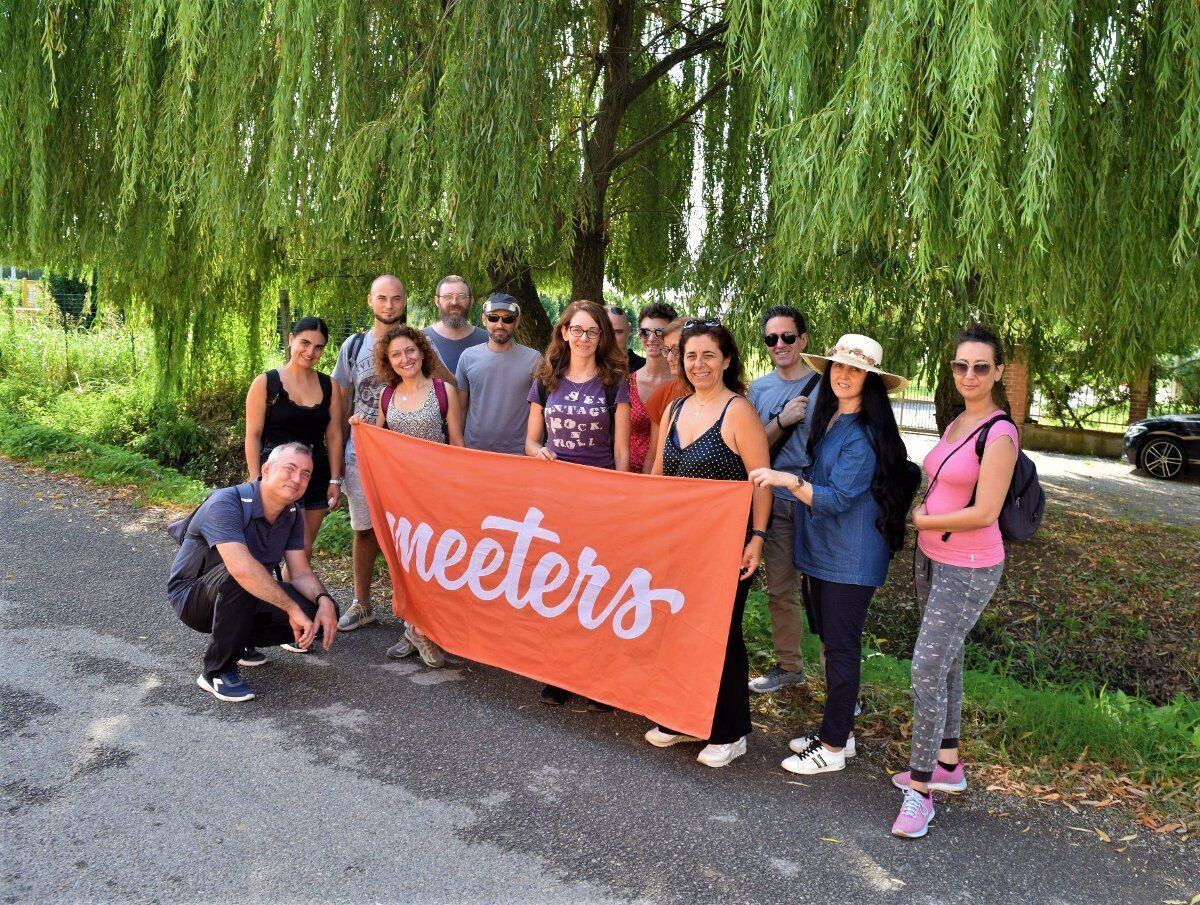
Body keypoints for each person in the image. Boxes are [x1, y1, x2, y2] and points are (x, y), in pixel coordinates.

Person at [750, 333, 912, 777]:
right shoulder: (835, 419)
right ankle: (837, 731)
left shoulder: (864, 434)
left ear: (871, 381)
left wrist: (785, 481)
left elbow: (837, 498)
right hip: (824, 555)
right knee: (829, 643)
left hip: (850, 560)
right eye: (838, 367)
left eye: (855, 370)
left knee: (841, 650)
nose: (843, 375)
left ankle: (834, 747)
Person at [889, 323, 1018, 839]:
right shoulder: (959, 420)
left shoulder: (1000, 433)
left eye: (981, 366)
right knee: (949, 659)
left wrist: (923, 520)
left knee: (925, 669)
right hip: (932, 558)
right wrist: (924, 509)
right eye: (962, 365)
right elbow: (941, 479)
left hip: (968, 566)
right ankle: (947, 764)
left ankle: (921, 793)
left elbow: (986, 511)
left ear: (998, 372)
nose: (970, 374)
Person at [642, 320, 771, 768]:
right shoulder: (675, 409)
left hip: (726, 544)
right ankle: (683, 716)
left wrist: (757, 538)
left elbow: (761, 483)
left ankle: (731, 730)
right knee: (677, 627)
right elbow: (660, 470)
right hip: (679, 542)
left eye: (708, 356)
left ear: (727, 361)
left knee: (721, 633)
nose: (698, 364)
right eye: (691, 356)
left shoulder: (739, 413)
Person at [168, 442, 340, 702]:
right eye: (290, 469)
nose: (297, 479)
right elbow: (240, 569)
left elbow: (301, 572)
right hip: (193, 598)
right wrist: (291, 609)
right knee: (244, 574)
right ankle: (217, 670)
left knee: (320, 612)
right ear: (267, 470)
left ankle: (238, 643)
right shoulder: (226, 502)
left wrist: (323, 600)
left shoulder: (291, 513)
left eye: (305, 474)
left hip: (240, 592)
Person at [331, 276, 451, 646]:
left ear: (405, 301)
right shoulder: (353, 347)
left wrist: (423, 363)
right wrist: (335, 472)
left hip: (411, 459)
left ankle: (418, 619)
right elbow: (339, 409)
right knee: (365, 529)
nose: (389, 305)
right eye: (382, 298)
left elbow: (447, 384)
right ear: (370, 300)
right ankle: (362, 602)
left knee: (414, 538)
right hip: (362, 452)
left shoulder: (416, 344)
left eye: (396, 298)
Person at [527, 299, 631, 708]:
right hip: (556, 498)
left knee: (597, 586)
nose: (584, 338)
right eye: (577, 330)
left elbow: (621, 450)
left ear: (601, 336)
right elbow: (531, 439)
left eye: (593, 331)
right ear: (564, 332)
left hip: (600, 498)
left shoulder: (614, 382)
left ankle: (599, 676)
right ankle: (559, 671)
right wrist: (538, 452)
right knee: (558, 582)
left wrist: (622, 497)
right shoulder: (546, 378)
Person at [349, 325, 465, 667]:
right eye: (396, 354)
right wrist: (360, 426)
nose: (405, 359)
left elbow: (457, 443)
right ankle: (414, 630)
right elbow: (379, 440)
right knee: (408, 565)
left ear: (422, 351)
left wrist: (463, 490)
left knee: (435, 564)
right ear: (388, 360)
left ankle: (426, 631)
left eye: (410, 351)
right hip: (400, 496)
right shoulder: (388, 395)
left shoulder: (443, 391)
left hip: (438, 493)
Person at [746, 306, 820, 694]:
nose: (780, 345)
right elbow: (751, 447)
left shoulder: (825, 385)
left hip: (815, 501)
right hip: (774, 502)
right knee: (780, 588)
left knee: (825, 594)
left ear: (803, 340)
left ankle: (841, 683)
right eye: (771, 338)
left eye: (787, 337)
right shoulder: (759, 390)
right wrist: (782, 421)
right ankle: (789, 666)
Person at [244, 316, 344, 564]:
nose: (311, 352)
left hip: (316, 474)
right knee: (300, 549)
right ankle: (273, 597)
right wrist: (254, 478)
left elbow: (333, 434)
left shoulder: (329, 385)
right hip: (280, 472)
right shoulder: (266, 383)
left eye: (319, 347)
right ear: (290, 340)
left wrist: (334, 478)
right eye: (305, 343)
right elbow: (253, 435)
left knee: (301, 556)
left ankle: (288, 599)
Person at [456, 294, 543, 454]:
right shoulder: (467, 357)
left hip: (518, 455)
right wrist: (459, 448)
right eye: (493, 318)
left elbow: (540, 412)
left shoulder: (534, 359)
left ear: (517, 322)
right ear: (484, 319)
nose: (500, 324)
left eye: (508, 319)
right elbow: (460, 409)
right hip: (474, 453)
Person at [627, 302, 680, 472]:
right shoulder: (627, 383)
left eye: (659, 332)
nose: (651, 339)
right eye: (645, 332)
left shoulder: (686, 384)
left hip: (672, 474)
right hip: (630, 473)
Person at [641, 318, 690, 474]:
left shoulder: (733, 403)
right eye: (667, 350)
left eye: (676, 350)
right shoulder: (663, 395)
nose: (669, 358)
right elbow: (654, 456)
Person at [422, 274, 487, 375]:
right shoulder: (420, 340)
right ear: (437, 301)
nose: (454, 302)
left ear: (471, 301)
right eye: (447, 297)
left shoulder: (487, 340)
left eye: (461, 297)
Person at [606, 305, 645, 374]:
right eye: (605, 332)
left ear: (629, 329)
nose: (611, 338)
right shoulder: (588, 367)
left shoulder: (644, 368)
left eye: (618, 332)